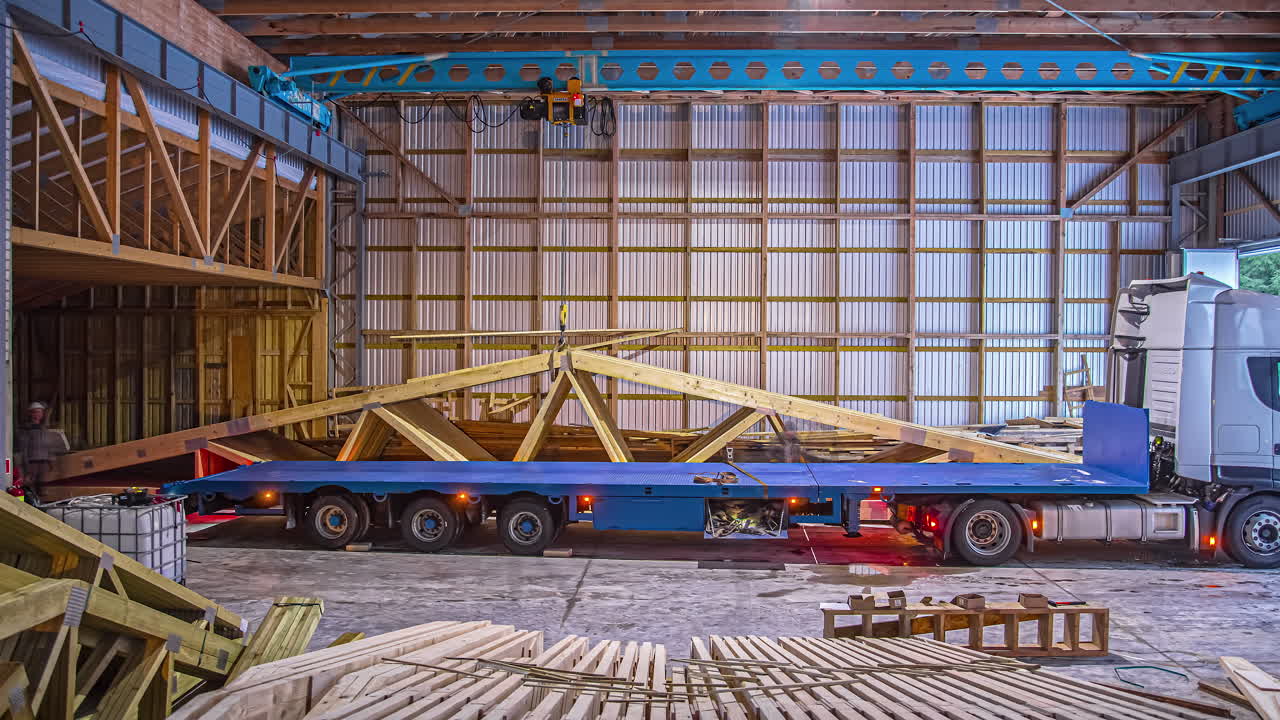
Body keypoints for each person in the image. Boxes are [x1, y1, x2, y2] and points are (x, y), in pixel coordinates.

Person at [15, 402, 68, 504]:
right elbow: (23, 448)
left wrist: (51, 460)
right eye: (36, 412)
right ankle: (31, 505)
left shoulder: (43, 428)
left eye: (40, 412)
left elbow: (47, 444)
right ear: (31, 413)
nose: (38, 415)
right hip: (32, 462)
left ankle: (41, 505)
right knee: (30, 485)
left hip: (43, 461)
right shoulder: (26, 429)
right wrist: (25, 466)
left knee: (42, 485)